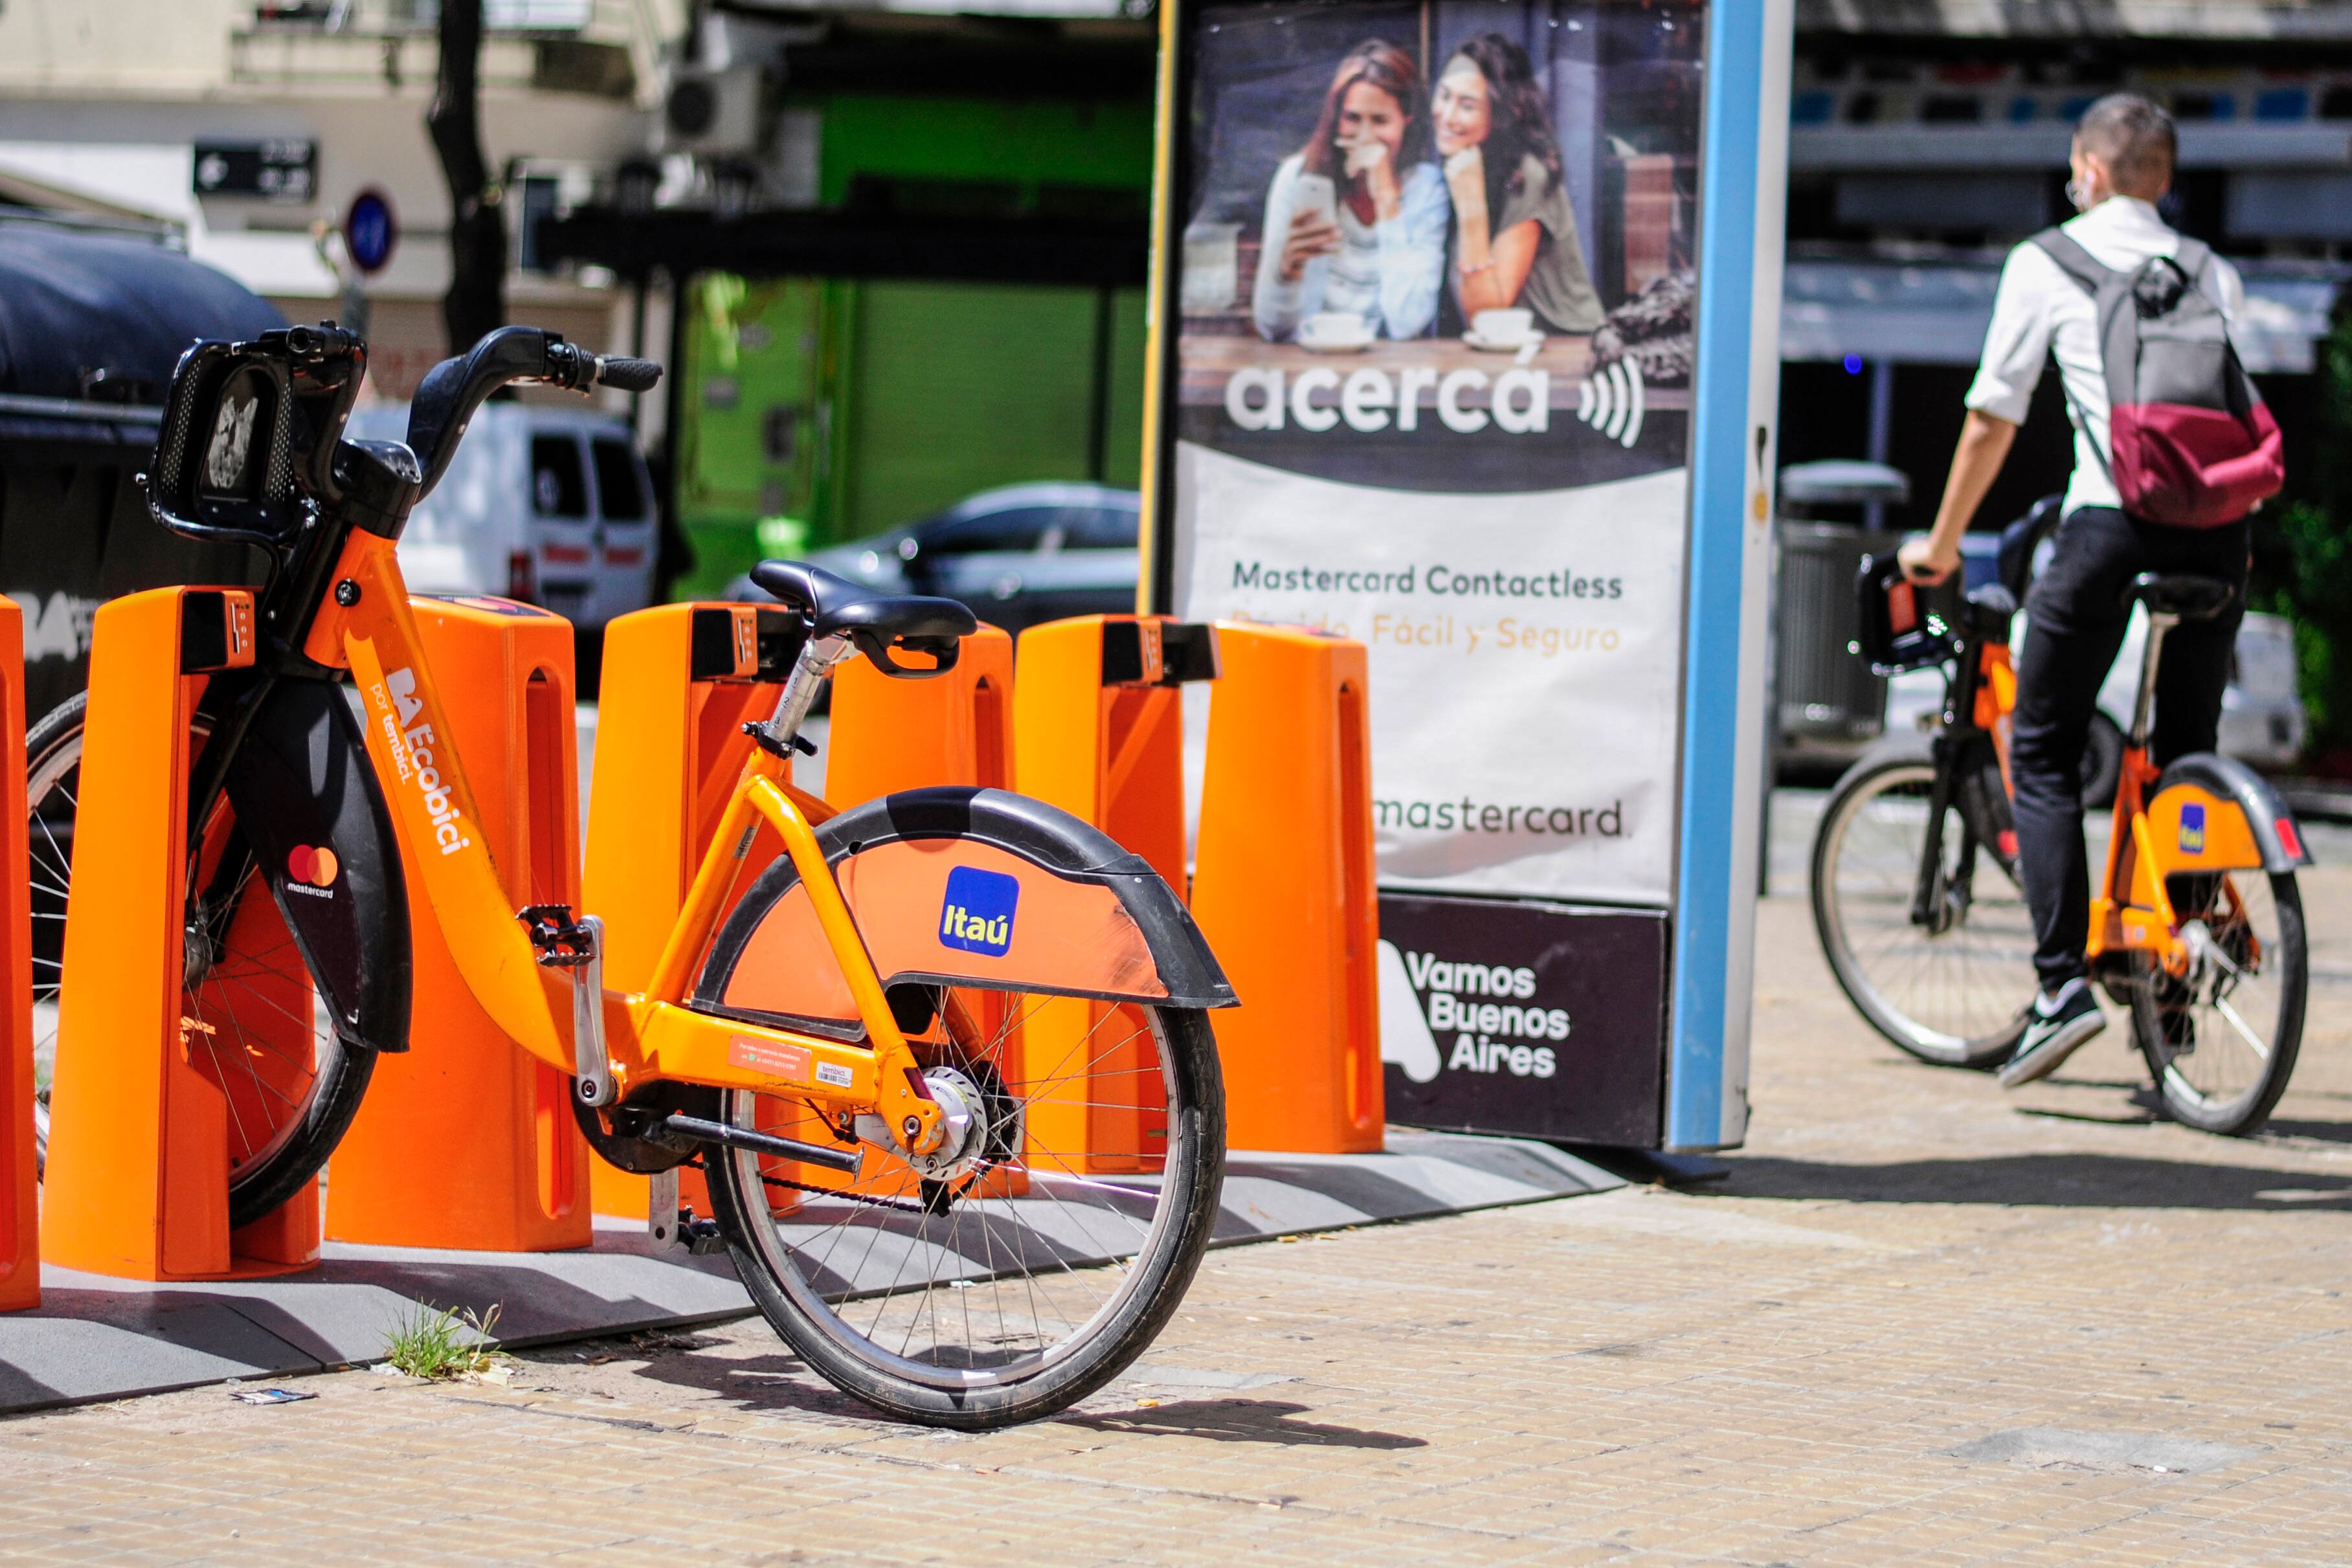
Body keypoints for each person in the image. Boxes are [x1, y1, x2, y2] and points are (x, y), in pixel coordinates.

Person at [1899, 94, 2252, 1088]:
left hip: (2108, 525)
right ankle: (2175, 982)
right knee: (2186, 755)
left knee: (2046, 753)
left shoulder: (2046, 259)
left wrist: (1942, 543)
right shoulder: (2210, 269)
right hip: (2220, 533)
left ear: (2085, 169)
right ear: (2165, 179)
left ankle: (2058, 991)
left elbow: (1990, 418)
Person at [1251, 40, 1447, 343]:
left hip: (1382, 373)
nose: (1365, 136)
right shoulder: (1298, 178)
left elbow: (1408, 322)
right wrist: (1286, 273)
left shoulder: (1426, 189)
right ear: (1335, 119)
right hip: (1310, 364)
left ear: (1405, 122)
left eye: (1380, 120)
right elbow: (1270, 326)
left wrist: (1386, 199)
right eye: (1352, 118)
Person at [1429, 34, 1604, 335]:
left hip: (1564, 350)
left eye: (1467, 105)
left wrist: (1472, 207)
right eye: (1444, 96)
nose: (1447, 116)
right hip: (1507, 356)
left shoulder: (1528, 174)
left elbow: (1486, 317)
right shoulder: (1465, 162)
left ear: (1503, 113)